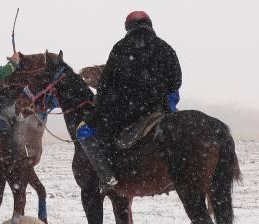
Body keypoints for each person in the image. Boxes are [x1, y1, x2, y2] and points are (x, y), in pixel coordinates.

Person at [78, 11, 182, 189]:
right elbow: (176, 80)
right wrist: (168, 102)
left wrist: (100, 108)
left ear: (128, 27)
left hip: (127, 111)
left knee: (83, 132)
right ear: (149, 24)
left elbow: (105, 86)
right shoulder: (165, 47)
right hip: (161, 108)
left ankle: (108, 178)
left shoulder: (120, 47)